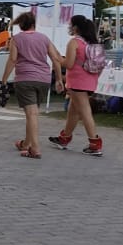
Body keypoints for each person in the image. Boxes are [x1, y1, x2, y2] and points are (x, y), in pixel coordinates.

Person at [0, 11, 63, 159]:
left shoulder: (16, 39)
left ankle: (35, 149)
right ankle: (26, 143)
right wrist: (59, 79)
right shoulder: (44, 38)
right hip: (43, 79)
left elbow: (13, 60)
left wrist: (4, 79)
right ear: (34, 24)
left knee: (31, 114)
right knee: (32, 114)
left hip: (25, 79)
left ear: (21, 26)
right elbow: (55, 58)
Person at [48, 15, 104, 156]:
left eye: (71, 25)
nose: (69, 27)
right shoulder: (90, 42)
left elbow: (69, 64)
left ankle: (94, 143)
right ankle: (64, 138)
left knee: (85, 112)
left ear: (76, 27)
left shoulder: (74, 42)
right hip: (90, 79)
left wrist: (57, 57)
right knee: (73, 111)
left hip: (78, 81)